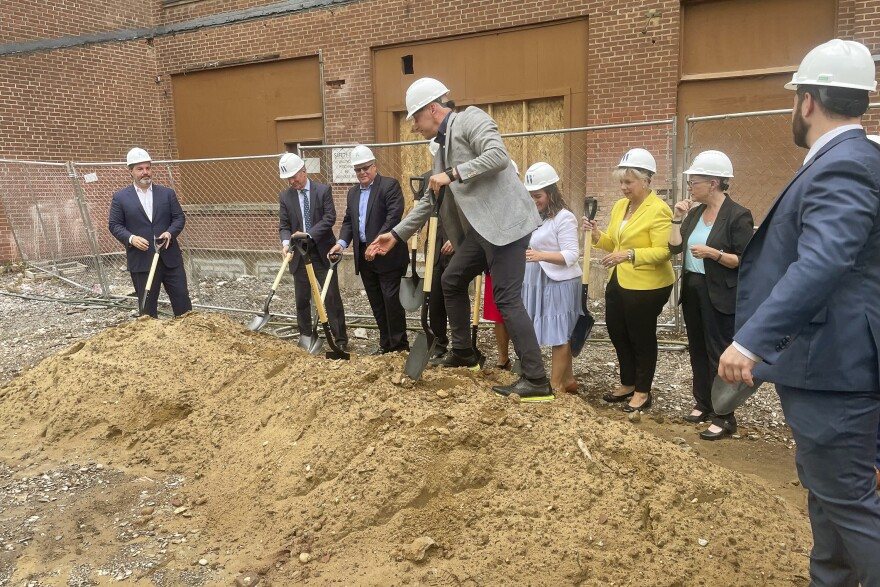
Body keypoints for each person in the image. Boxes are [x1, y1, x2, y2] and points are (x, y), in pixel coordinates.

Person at [717, 39, 880, 584]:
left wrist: (753, 340)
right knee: (831, 497)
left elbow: (825, 261)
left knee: (853, 506)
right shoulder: (858, 159)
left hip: (834, 368)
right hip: (839, 364)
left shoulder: (844, 166)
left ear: (806, 101)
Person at [367, 77, 550, 401]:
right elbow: (430, 199)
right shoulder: (440, 148)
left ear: (433, 109)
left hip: (507, 227)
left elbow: (498, 157)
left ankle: (537, 381)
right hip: (483, 232)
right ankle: (465, 352)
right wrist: (396, 235)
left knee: (507, 299)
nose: (412, 128)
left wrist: (452, 173)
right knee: (451, 279)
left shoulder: (470, 119)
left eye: (415, 119)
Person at [668, 150, 753, 440]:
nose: (690, 186)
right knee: (698, 349)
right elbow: (675, 248)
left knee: (719, 353)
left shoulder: (738, 215)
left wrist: (714, 254)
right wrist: (676, 219)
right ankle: (703, 403)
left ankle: (724, 416)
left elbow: (743, 260)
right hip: (693, 289)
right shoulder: (693, 213)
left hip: (720, 293)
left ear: (713, 183)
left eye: (695, 181)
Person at [582, 148, 674, 412]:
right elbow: (613, 241)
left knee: (641, 337)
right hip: (619, 279)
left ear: (646, 180)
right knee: (617, 331)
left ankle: (643, 392)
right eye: (621, 181)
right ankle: (628, 383)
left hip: (648, 285)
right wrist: (597, 233)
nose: (622, 187)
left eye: (628, 182)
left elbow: (664, 251)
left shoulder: (659, 210)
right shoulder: (622, 206)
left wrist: (629, 254)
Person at [330, 146, 407, 355]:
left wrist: (375, 244)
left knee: (391, 301)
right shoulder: (353, 193)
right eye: (358, 170)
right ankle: (385, 344)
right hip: (364, 256)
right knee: (376, 302)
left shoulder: (389, 186)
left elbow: (393, 217)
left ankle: (399, 346)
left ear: (374, 166)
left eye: (365, 168)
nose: (362, 173)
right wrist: (342, 243)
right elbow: (349, 221)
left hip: (387, 255)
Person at [108, 147, 192, 318]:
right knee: (147, 308)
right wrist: (131, 238)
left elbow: (179, 218)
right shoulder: (121, 197)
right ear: (130, 171)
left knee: (183, 301)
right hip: (142, 260)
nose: (145, 172)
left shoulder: (167, 194)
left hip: (170, 259)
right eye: (140, 169)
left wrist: (170, 233)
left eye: (147, 168)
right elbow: (115, 225)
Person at [522, 162, 582, 394]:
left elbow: (571, 255)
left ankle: (555, 386)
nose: (533, 200)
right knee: (551, 331)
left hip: (559, 283)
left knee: (560, 334)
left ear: (551, 193)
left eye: (538, 195)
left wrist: (541, 255)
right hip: (537, 280)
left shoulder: (564, 218)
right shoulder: (535, 216)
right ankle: (568, 381)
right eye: (530, 196)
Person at [278, 153, 348, 351]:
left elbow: (329, 217)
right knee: (302, 297)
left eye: (294, 177)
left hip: (322, 254)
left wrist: (308, 234)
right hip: (299, 255)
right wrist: (285, 243)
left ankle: (339, 340)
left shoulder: (322, 190)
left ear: (303, 171)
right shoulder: (285, 196)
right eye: (288, 179)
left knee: (331, 297)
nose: (292, 182)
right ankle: (307, 336)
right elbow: (284, 225)